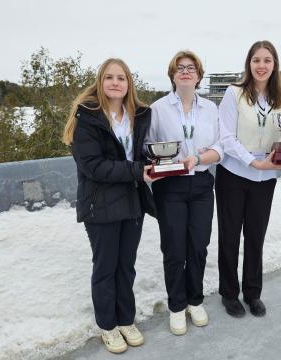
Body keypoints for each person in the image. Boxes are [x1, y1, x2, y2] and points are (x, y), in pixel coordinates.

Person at [62, 58, 157, 353]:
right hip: (99, 204)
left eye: (121, 78)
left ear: (129, 84)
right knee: (105, 267)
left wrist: (155, 162)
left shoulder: (138, 115)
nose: (116, 82)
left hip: (132, 201)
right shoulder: (88, 118)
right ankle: (107, 325)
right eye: (110, 78)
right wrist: (137, 170)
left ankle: (125, 319)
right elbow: (94, 166)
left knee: (125, 266)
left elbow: (139, 153)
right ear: (100, 83)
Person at [146, 50, 223, 335]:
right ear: (173, 75)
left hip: (202, 184)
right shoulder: (158, 109)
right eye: (180, 68)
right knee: (174, 248)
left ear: (199, 76)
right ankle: (177, 306)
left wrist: (199, 159)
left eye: (191, 68)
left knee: (198, 246)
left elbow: (221, 147)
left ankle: (195, 300)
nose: (186, 72)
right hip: (170, 186)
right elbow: (148, 145)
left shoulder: (211, 109)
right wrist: (159, 161)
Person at [216, 40, 281, 318]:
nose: (261, 66)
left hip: (265, 177)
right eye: (256, 60)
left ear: (274, 65)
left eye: (267, 60)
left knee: (256, 238)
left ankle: (252, 293)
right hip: (234, 174)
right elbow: (227, 138)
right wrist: (253, 160)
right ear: (249, 64)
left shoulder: (280, 99)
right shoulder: (233, 94)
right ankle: (229, 293)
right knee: (230, 237)